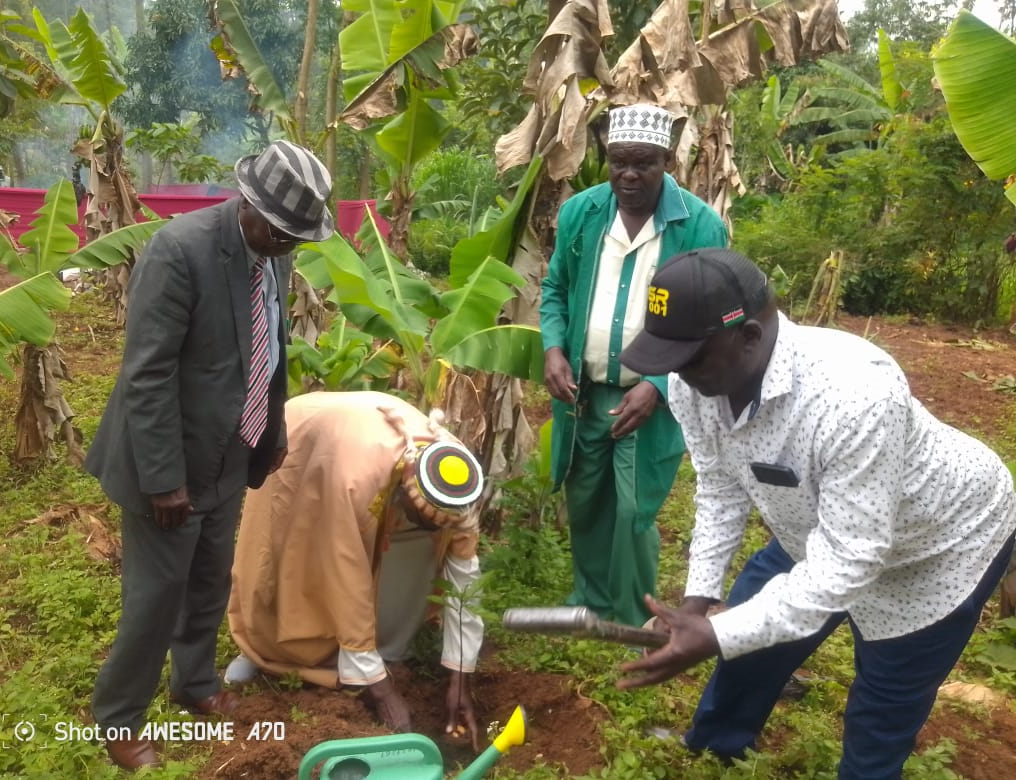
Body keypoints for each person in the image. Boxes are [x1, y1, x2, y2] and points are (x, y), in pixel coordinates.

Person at [616, 247, 1016, 779]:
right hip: (819, 527)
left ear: (750, 337)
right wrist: (698, 603)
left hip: (938, 543)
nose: (680, 378)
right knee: (749, 650)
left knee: (881, 708)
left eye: (690, 360)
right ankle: (716, 748)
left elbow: (852, 559)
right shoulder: (698, 382)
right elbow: (720, 488)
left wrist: (718, 634)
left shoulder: (855, 393)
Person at [85, 140, 334, 770]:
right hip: (168, 462)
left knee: (206, 581)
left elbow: (268, 349)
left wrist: (271, 430)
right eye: (282, 232)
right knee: (156, 593)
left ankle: (193, 683)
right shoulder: (181, 250)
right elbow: (147, 375)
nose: (289, 245)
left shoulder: (272, 254)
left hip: (230, 451)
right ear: (249, 204)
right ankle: (117, 719)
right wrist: (164, 480)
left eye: (297, 237)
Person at [539, 103, 728, 626]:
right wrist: (553, 347)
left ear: (667, 160)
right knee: (587, 500)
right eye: (618, 161)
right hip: (584, 391)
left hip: (647, 397)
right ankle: (591, 604)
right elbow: (556, 286)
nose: (628, 174)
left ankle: (632, 616)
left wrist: (660, 384)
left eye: (643, 163)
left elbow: (709, 318)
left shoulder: (698, 226)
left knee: (633, 507)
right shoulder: (582, 213)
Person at [225, 391, 486, 750]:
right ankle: (257, 648)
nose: (431, 531)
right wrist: (382, 693)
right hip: (305, 441)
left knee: (407, 560)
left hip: (364, 442)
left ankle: (373, 654)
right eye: (420, 519)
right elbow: (347, 578)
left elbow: (463, 588)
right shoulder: (356, 482)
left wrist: (461, 679)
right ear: (406, 494)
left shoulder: (459, 482)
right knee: (288, 556)